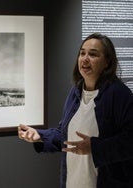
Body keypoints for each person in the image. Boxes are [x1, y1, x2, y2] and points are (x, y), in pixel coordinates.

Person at [18, 33, 133, 188]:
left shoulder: (120, 94)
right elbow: (65, 135)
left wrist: (95, 147)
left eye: (92, 54)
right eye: (82, 53)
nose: (85, 58)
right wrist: (40, 135)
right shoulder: (75, 92)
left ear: (107, 62)